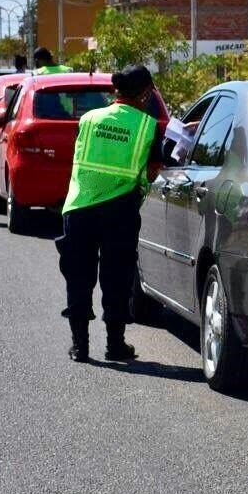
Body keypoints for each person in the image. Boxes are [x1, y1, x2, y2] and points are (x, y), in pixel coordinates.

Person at [56, 64, 169, 363]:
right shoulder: (147, 127)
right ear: (145, 93)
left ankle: (80, 346)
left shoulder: (89, 119)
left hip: (79, 207)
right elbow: (153, 171)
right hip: (120, 210)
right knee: (116, 278)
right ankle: (114, 345)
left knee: (78, 276)